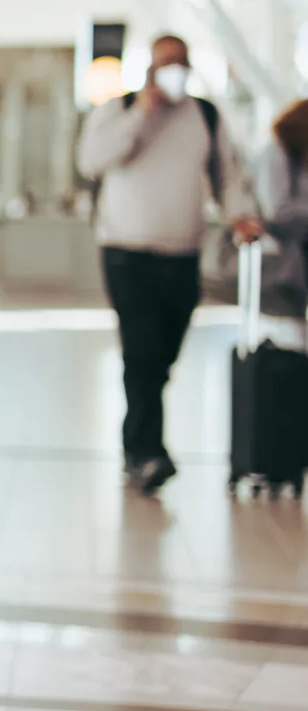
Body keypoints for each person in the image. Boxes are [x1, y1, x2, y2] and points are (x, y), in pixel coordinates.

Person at [77, 34, 262, 494]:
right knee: (141, 351)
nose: (174, 70)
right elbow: (92, 161)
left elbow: (226, 172)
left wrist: (239, 214)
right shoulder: (118, 111)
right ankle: (147, 452)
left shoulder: (204, 115)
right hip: (127, 252)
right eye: (166, 63)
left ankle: (137, 440)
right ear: (149, 69)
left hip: (181, 254)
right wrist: (141, 113)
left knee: (161, 357)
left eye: (181, 62)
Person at [253, 99, 308, 343]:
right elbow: (276, 209)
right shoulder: (276, 153)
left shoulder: (299, 158)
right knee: (289, 334)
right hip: (284, 256)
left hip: (298, 253)